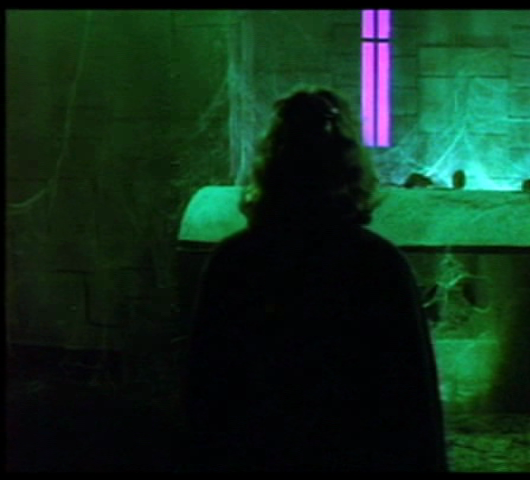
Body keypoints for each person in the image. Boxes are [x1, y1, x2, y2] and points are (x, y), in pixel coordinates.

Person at [183, 87, 448, 472]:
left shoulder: (234, 261)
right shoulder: (378, 264)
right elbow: (412, 401)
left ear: (273, 163)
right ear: (348, 165)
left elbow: (206, 392)